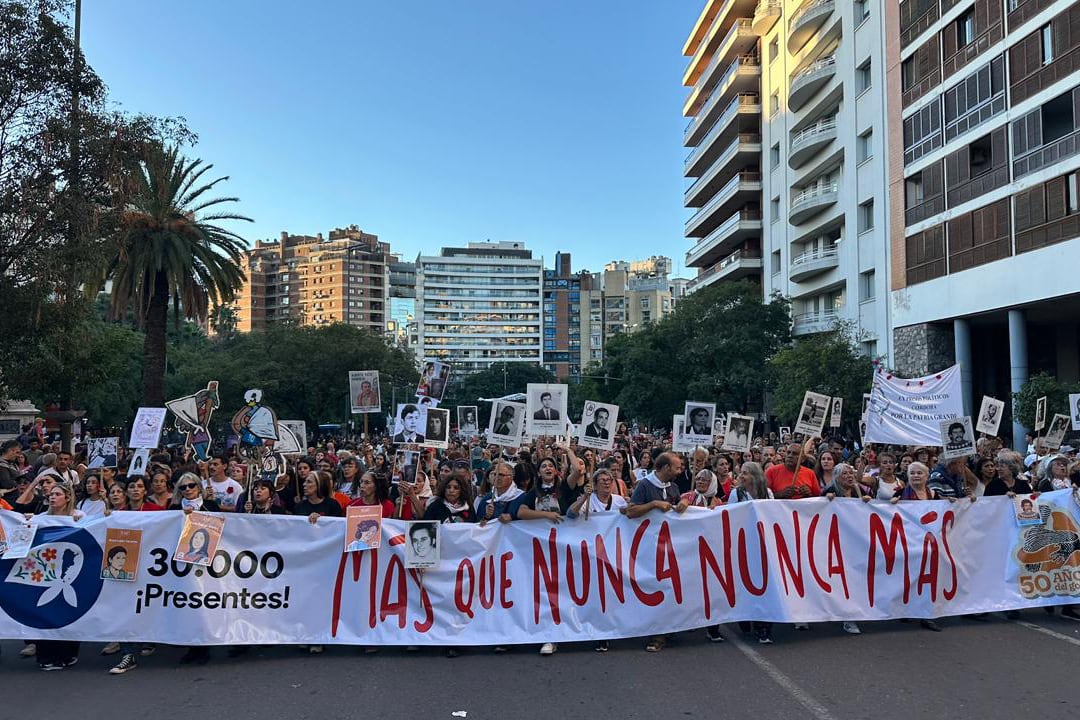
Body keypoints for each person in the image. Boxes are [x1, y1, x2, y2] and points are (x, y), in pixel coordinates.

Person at [628, 452, 688, 652]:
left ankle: (667, 627)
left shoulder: (673, 487)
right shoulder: (645, 485)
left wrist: (684, 503)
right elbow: (631, 511)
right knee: (655, 588)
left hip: (670, 547)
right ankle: (657, 633)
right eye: (677, 467)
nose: (680, 471)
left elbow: (678, 506)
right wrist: (653, 505)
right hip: (648, 547)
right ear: (665, 468)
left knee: (670, 587)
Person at [32, 482, 83, 671]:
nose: (52, 497)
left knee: (67, 612)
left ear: (67, 497)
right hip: (46, 572)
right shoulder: (41, 518)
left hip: (70, 573)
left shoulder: (80, 517)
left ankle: (67, 653)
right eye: (51, 494)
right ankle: (46, 656)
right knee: (46, 612)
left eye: (57, 494)